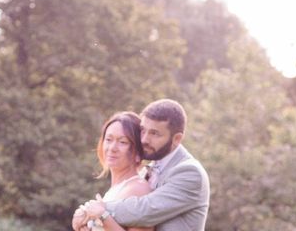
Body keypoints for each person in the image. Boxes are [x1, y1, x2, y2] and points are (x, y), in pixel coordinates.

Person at [78, 99, 210, 231]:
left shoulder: (190, 172)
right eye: (142, 130)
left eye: (154, 133)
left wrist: (99, 210)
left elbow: (144, 211)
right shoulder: (148, 171)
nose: (144, 139)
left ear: (177, 139)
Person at [72, 111, 153, 231]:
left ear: (137, 153)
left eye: (122, 142)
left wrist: (103, 216)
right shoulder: (116, 189)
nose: (112, 148)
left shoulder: (138, 189)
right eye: (109, 140)